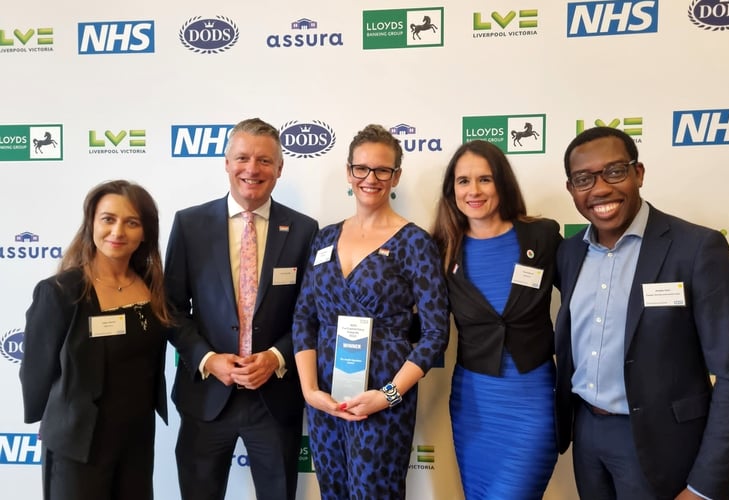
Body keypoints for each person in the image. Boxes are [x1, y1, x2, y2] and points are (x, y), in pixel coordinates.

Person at [555, 126, 729, 500]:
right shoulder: (569, 253)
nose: (599, 189)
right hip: (588, 437)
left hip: (666, 445)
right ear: (571, 189)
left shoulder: (696, 249)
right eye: (584, 179)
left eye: (614, 171)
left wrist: (705, 487)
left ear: (638, 173)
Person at [292, 124, 449, 499]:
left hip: (382, 396)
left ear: (396, 175)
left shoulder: (414, 242)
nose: (371, 178)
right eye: (361, 168)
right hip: (327, 395)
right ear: (349, 171)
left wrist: (389, 395)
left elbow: (434, 335)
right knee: (334, 490)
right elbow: (303, 318)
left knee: (374, 492)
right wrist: (311, 390)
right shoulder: (325, 237)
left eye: (382, 170)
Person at [164, 117, 318, 500]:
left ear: (280, 168)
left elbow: (310, 313)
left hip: (274, 398)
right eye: (243, 158)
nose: (253, 169)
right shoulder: (190, 224)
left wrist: (276, 358)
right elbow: (171, 308)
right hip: (206, 396)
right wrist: (207, 359)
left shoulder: (304, 230)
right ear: (227, 162)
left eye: (265, 160)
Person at [20, 180, 171, 500]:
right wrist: (51, 423)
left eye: (132, 222)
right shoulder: (61, 292)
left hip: (136, 439)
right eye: (108, 219)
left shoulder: (152, 287)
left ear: (145, 232)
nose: (118, 231)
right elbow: (36, 370)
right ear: (91, 223)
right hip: (78, 442)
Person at [431, 140, 561, 499]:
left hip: (532, 399)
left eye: (484, 179)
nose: (473, 190)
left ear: (502, 183)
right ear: (451, 190)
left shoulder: (542, 235)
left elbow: (587, 299)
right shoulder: (441, 248)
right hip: (474, 403)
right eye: (463, 181)